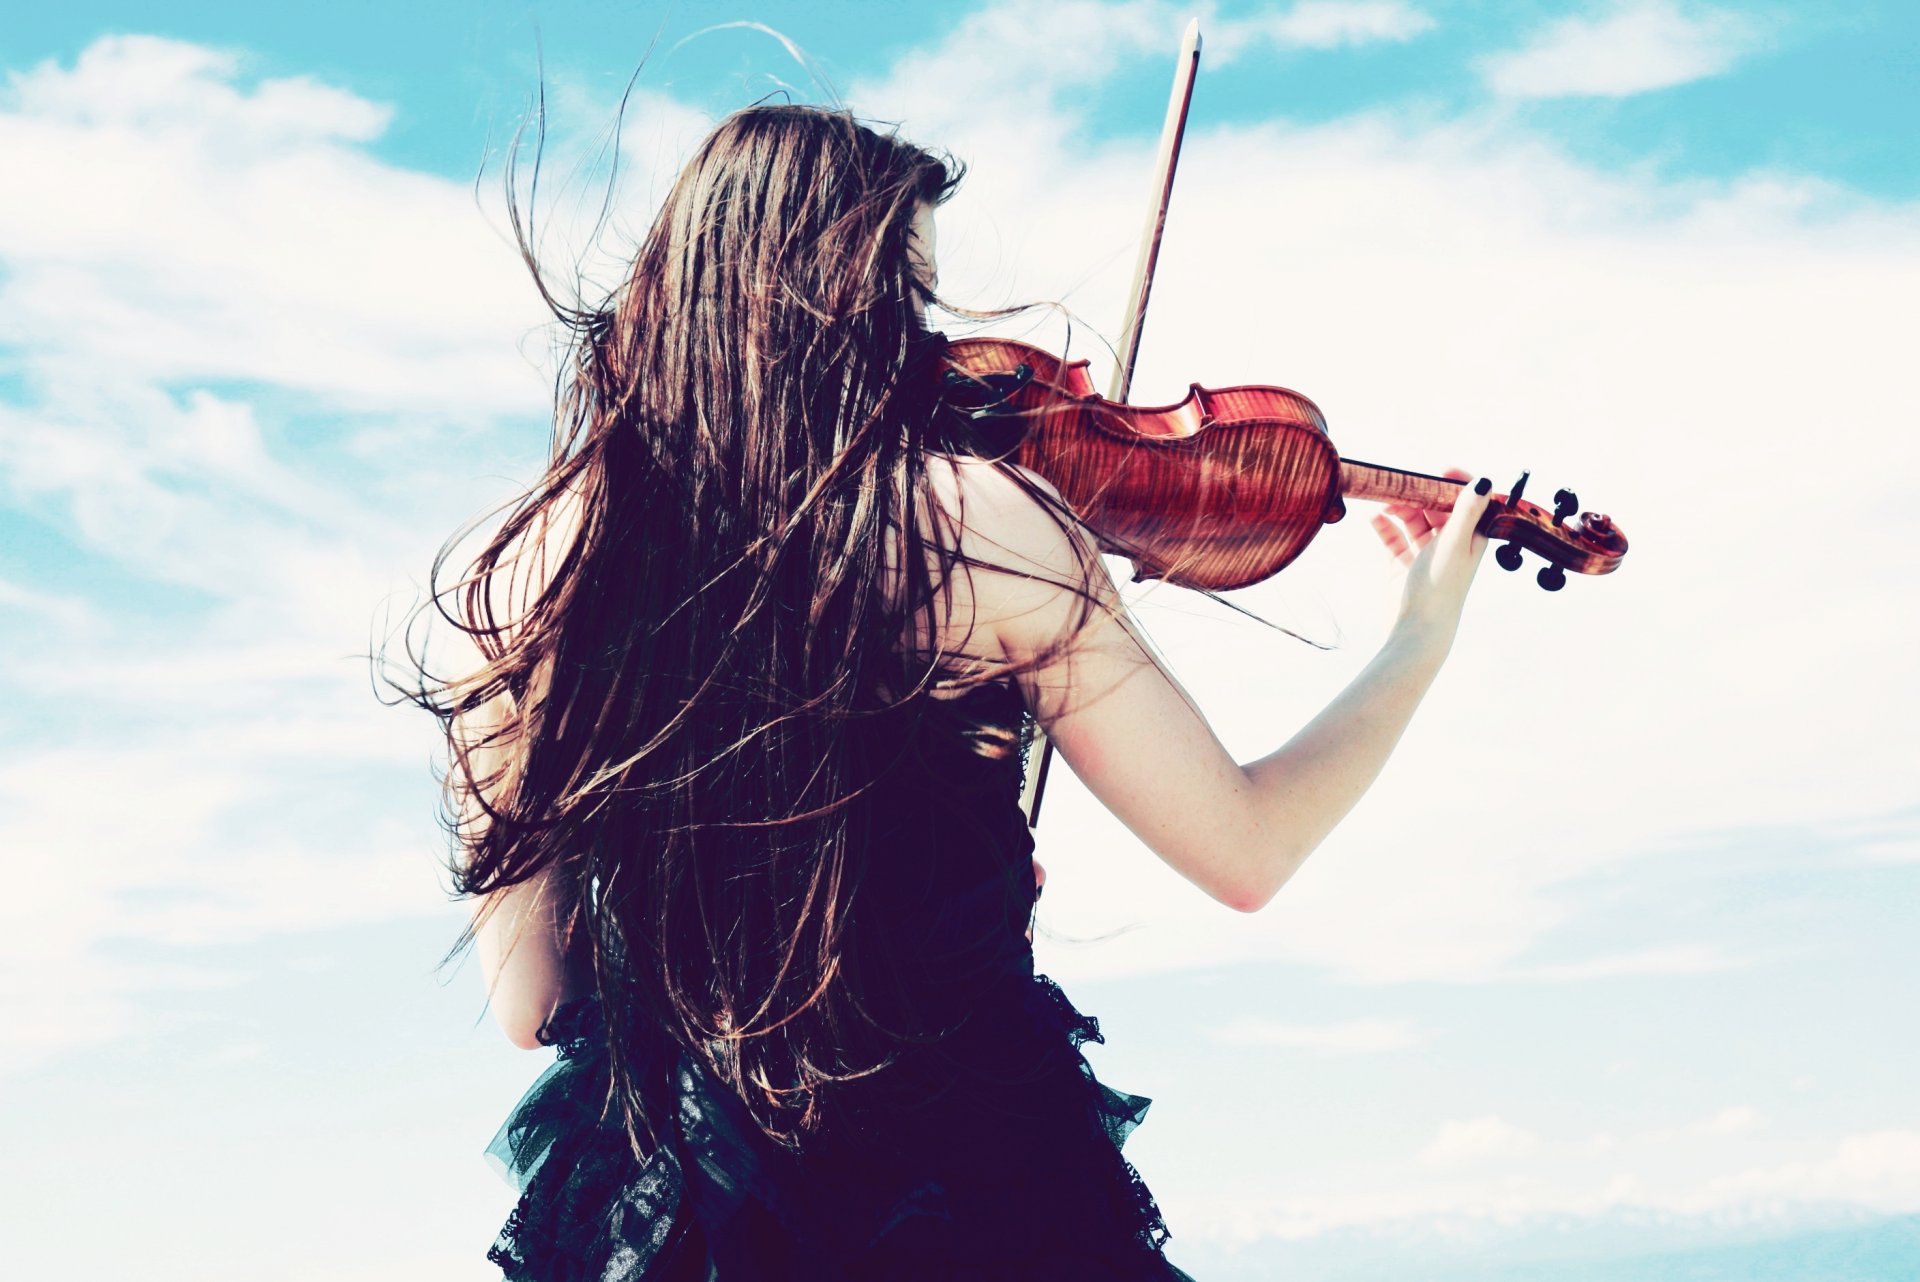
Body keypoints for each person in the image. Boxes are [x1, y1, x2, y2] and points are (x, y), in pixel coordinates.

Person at [403, 103, 1491, 1282]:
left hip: (676, 1213)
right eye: (903, 298)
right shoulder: (986, 532)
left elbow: (532, 1002)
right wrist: (1419, 635)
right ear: (844, 305)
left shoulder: (522, 584)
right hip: (972, 1187)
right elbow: (1248, 849)